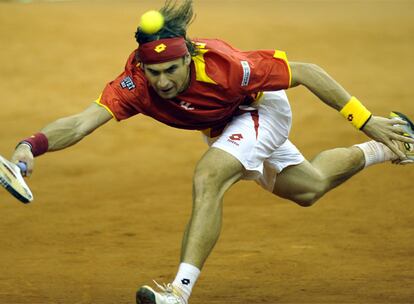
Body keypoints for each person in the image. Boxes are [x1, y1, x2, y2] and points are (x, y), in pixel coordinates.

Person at [11, 0, 413, 303]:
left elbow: (306, 71)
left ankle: (177, 292)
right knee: (308, 187)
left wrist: (364, 117)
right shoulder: (133, 85)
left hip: (258, 109)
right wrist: (30, 146)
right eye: (155, 73)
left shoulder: (226, 66)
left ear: (187, 55)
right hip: (222, 125)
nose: (163, 82)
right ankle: (387, 147)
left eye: (172, 70)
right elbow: (81, 122)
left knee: (209, 176)